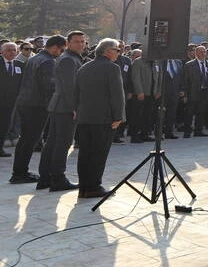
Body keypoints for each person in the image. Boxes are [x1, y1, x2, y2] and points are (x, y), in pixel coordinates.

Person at [73, 38, 126, 199]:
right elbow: (117, 95)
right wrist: (118, 116)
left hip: (85, 117)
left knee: (85, 153)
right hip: (103, 119)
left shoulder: (84, 67)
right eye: (117, 50)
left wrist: (78, 111)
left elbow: (76, 92)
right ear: (108, 51)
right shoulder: (112, 68)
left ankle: (84, 187)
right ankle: (94, 187)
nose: (119, 53)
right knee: (98, 154)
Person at [10, 35, 65, 184]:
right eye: (61, 50)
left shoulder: (35, 58)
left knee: (25, 139)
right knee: (30, 140)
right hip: (37, 105)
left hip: (26, 102)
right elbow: (49, 86)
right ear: (55, 47)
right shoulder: (47, 61)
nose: (61, 53)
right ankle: (20, 173)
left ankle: (19, 171)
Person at [39, 31, 86, 191]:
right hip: (65, 107)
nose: (80, 44)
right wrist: (74, 107)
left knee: (53, 142)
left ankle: (46, 177)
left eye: (82, 41)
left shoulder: (70, 58)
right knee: (62, 143)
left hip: (60, 106)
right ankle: (58, 179)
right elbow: (69, 86)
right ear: (68, 43)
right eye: (76, 41)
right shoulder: (68, 59)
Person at [182, 45, 208, 137]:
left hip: (204, 91)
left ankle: (198, 130)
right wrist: (184, 94)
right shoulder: (189, 65)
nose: (203, 53)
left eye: (204, 51)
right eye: (201, 52)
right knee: (189, 112)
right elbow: (185, 80)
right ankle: (187, 131)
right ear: (196, 53)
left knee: (201, 112)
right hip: (192, 92)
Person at [0, 41, 22, 157]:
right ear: (2, 51)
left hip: (10, 102)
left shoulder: (20, 65)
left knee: (4, 125)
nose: (12, 52)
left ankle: (0, 148)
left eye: (14, 50)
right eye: (9, 50)